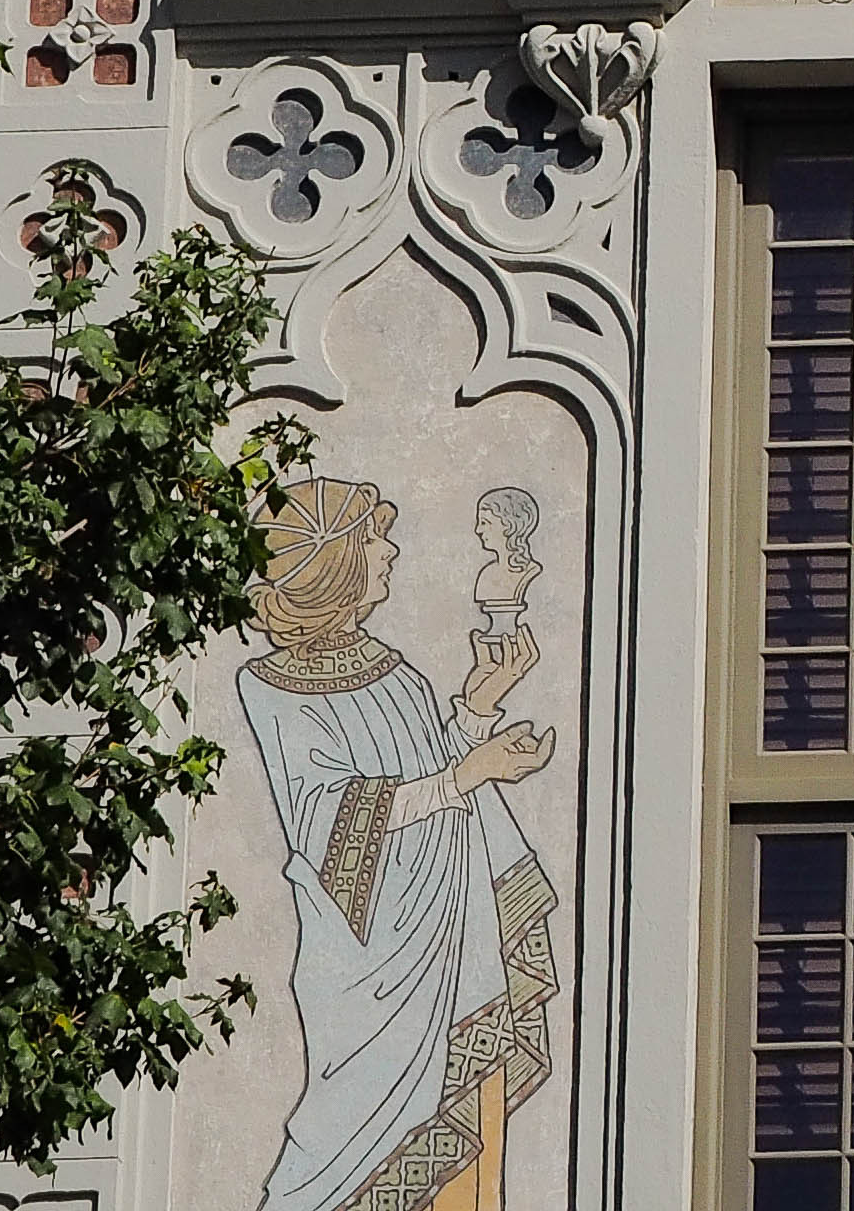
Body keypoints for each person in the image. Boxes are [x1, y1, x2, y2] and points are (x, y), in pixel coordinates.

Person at [239, 479, 562, 1211]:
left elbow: (425, 773)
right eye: (373, 540)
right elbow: (330, 819)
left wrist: (478, 705)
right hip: (368, 961)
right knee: (352, 1149)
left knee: (467, 1138)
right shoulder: (273, 689)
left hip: (452, 938)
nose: (388, 551)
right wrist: (470, 772)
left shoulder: (395, 669)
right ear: (337, 566)